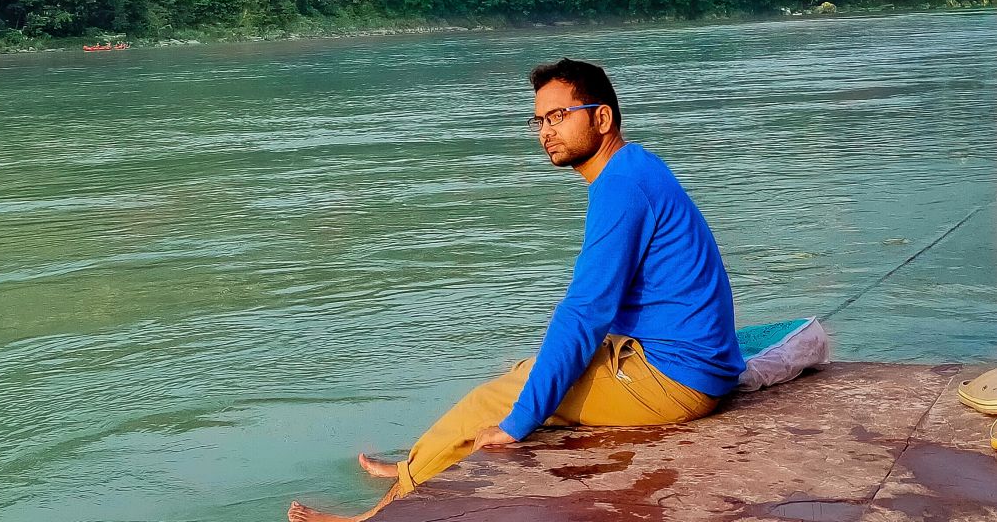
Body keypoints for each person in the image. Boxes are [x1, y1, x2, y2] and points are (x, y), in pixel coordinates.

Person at [286, 59, 744, 522]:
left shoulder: (620, 188)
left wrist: (519, 422)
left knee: (499, 400)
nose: (547, 131)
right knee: (529, 370)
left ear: (601, 118)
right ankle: (417, 467)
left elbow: (585, 312)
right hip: (680, 361)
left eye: (560, 116)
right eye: (540, 120)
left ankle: (379, 515)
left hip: (676, 379)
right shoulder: (635, 166)